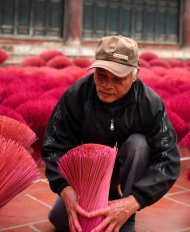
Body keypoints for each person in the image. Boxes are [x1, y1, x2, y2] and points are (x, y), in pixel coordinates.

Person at [41, 35, 181, 232]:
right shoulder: (76, 95)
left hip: (127, 170)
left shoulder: (150, 105)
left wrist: (134, 201)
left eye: (117, 78)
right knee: (60, 220)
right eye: (101, 75)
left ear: (135, 74)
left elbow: (168, 160)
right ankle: (105, 194)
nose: (107, 85)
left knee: (138, 145)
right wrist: (65, 189)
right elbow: (53, 146)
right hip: (86, 174)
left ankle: (125, 214)